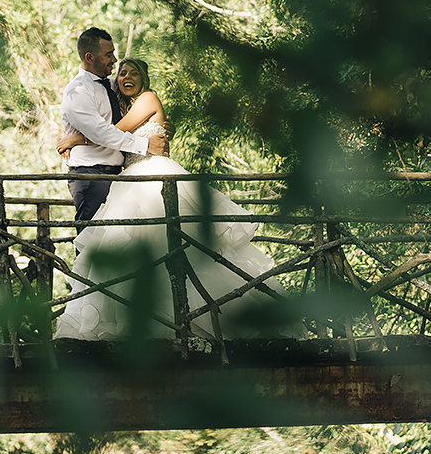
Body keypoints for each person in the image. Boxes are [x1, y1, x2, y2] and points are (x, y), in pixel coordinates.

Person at [54, 57, 303, 341]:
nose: (127, 76)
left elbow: (115, 133)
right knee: (141, 249)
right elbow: (115, 133)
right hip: (131, 178)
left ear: (144, 78)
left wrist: (77, 140)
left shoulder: (147, 98)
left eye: (134, 72)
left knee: (177, 245)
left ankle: (194, 319)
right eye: (122, 73)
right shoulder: (124, 106)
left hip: (155, 174)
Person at [60, 28, 167, 233]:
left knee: (118, 239)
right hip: (92, 176)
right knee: (92, 240)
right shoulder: (77, 92)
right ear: (89, 57)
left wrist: (77, 139)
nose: (114, 60)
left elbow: (133, 112)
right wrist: (146, 144)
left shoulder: (112, 84)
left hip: (118, 176)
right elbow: (102, 132)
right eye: (109, 55)